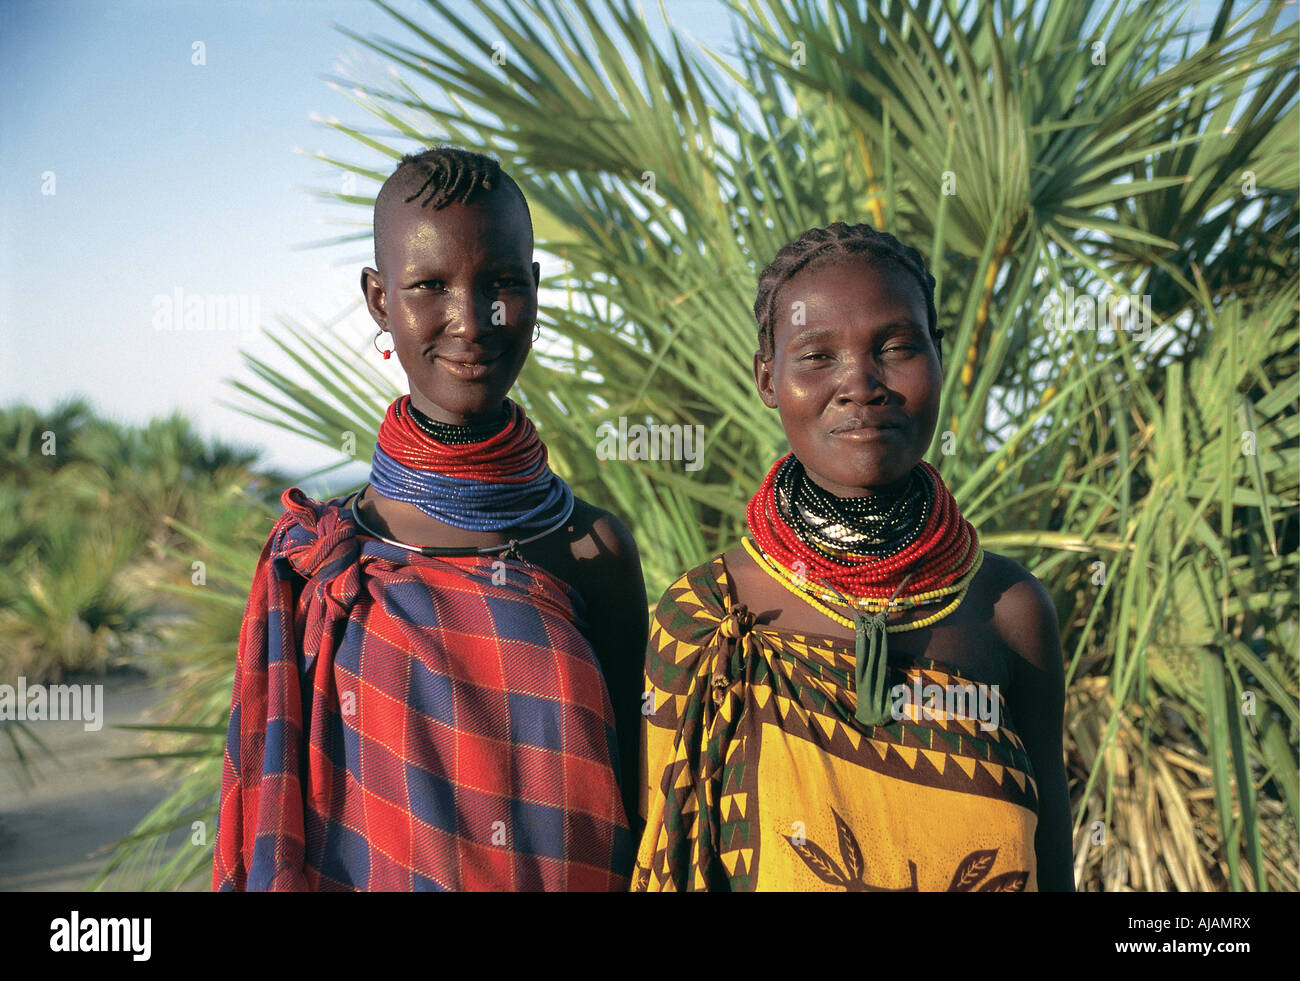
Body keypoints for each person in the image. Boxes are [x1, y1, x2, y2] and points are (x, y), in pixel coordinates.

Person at [213, 146, 647, 891]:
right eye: (430, 286)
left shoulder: (593, 549)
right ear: (380, 300)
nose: (471, 320)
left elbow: (640, 817)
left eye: (502, 283)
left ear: (535, 292)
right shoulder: (318, 565)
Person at [634, 222, 1074, 891]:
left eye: (896, 347)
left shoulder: (1008, 614)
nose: (861, 383)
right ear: (766, 376)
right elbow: (665, 861)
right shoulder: (708, 620)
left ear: (937, 356)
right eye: (817, 355)